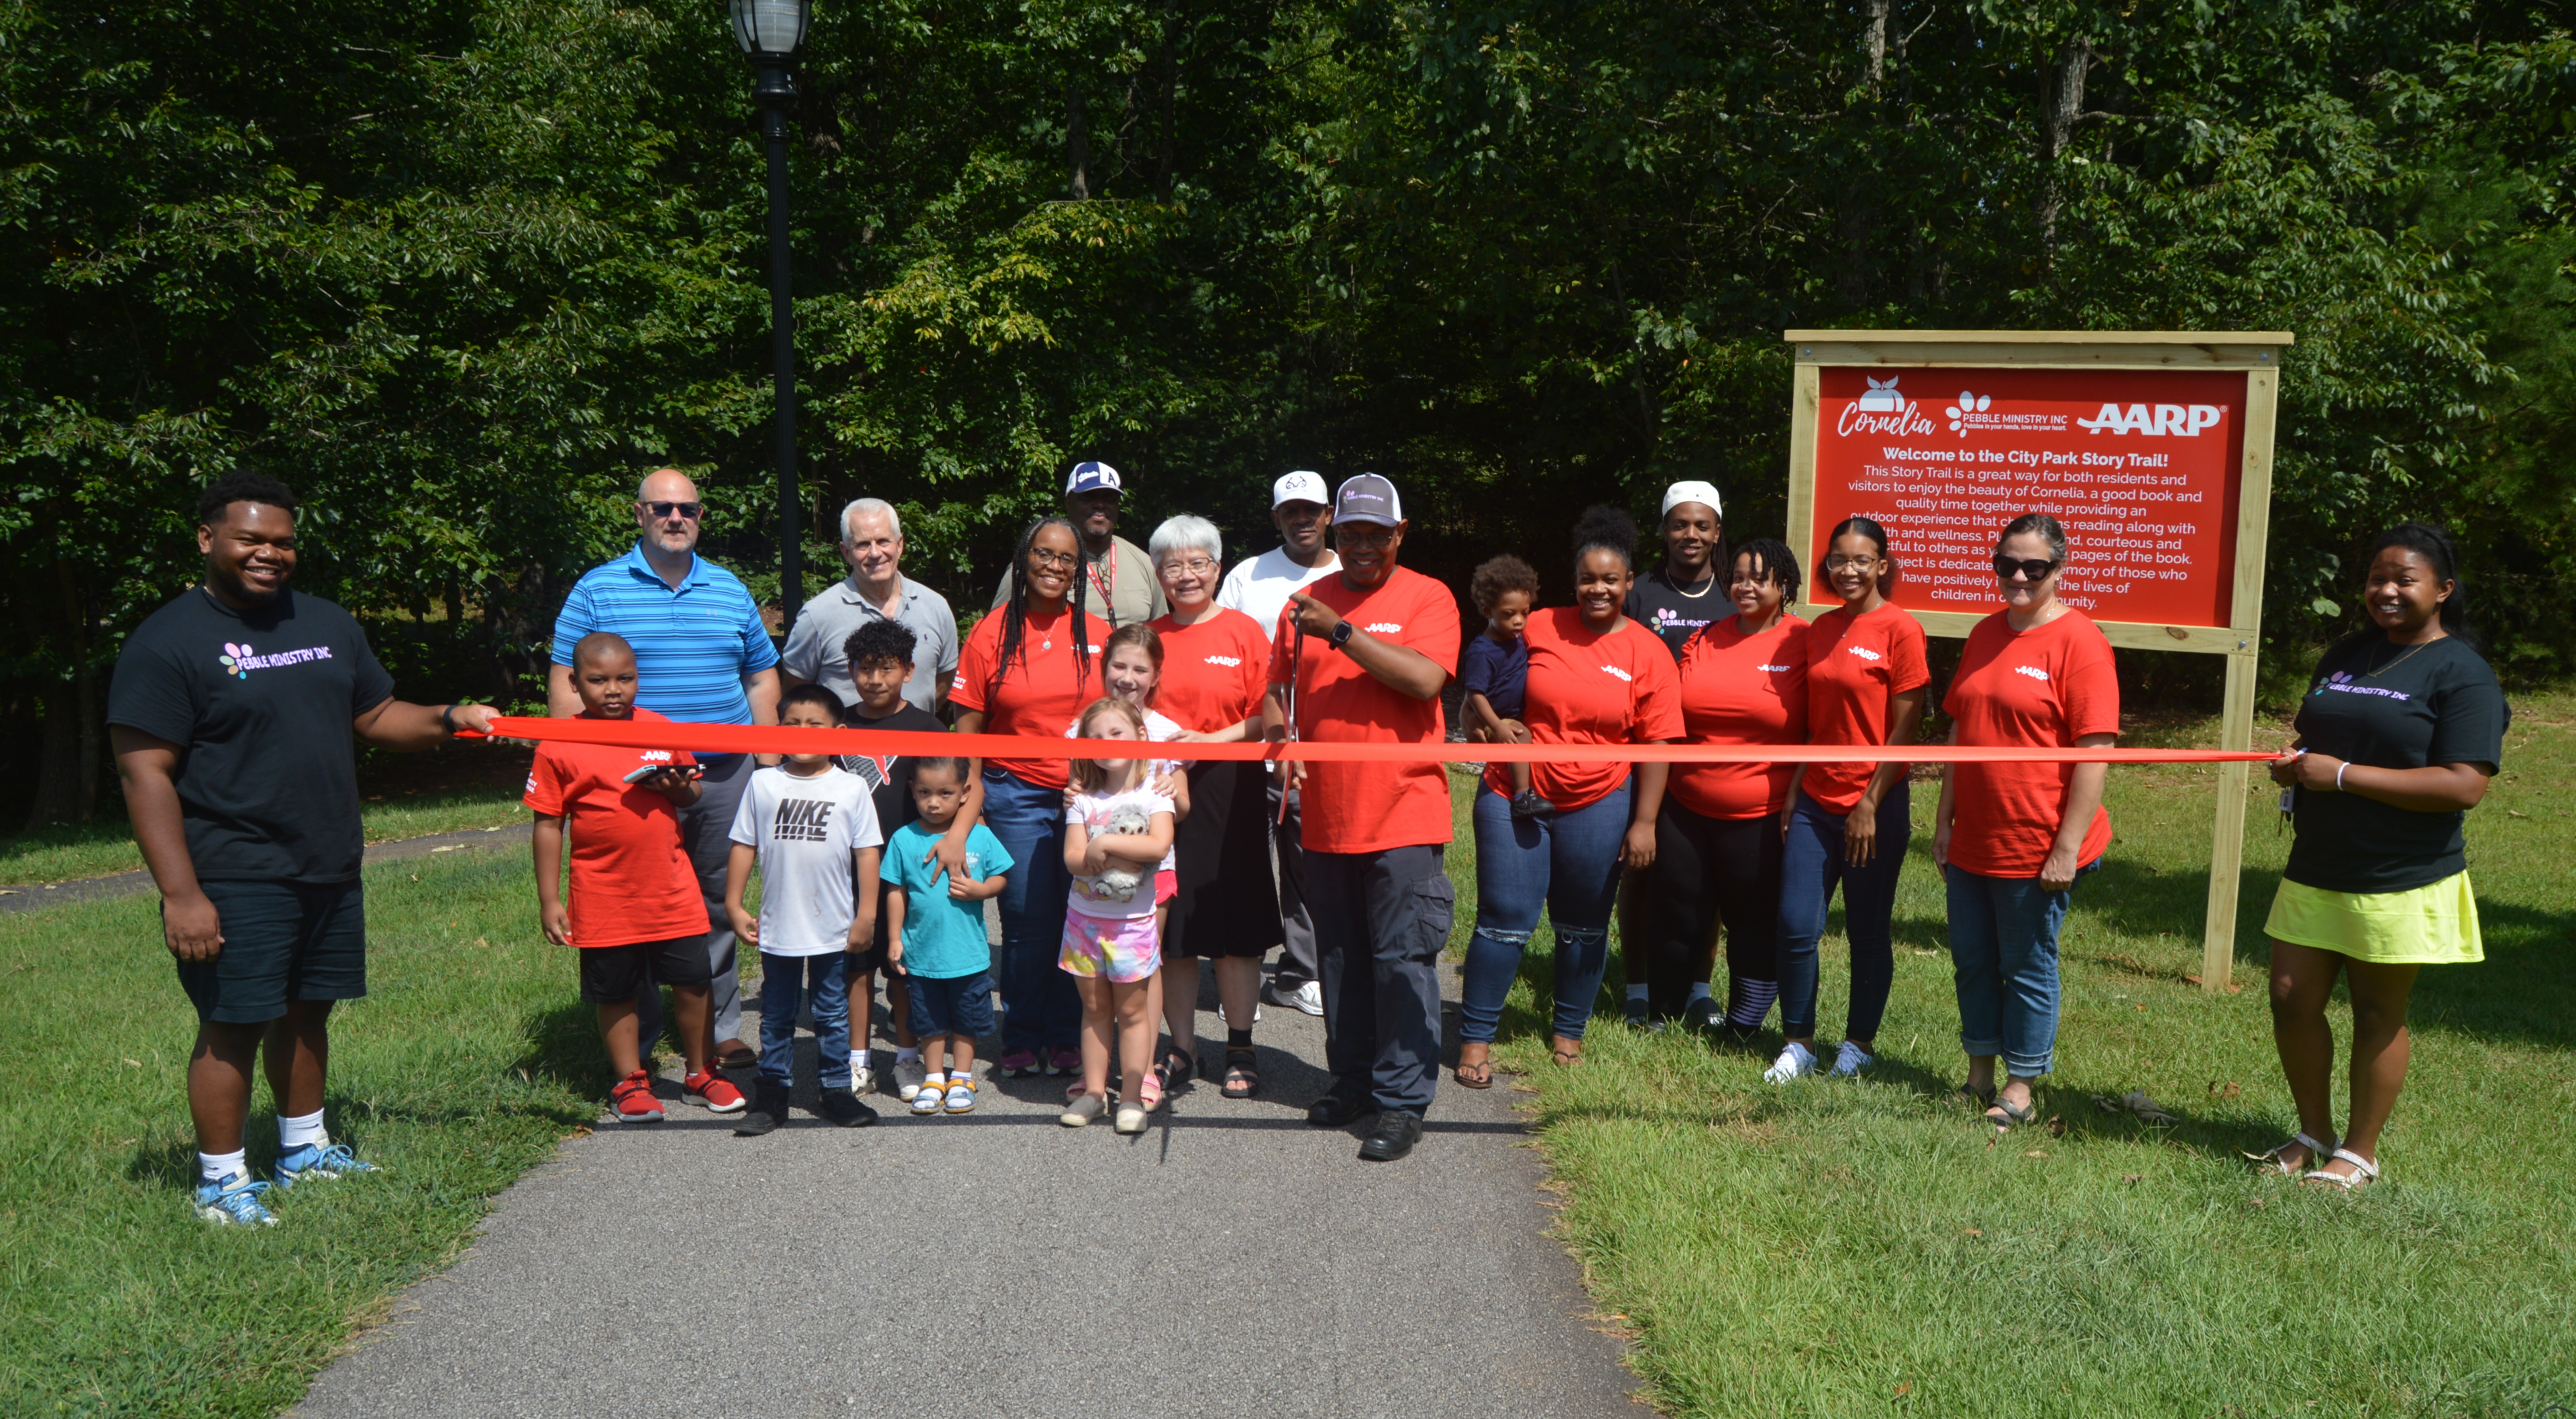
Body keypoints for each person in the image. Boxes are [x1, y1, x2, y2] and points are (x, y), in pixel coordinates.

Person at [109, 472, 502, 1226]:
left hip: (326, 861)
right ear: (207, 539)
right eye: (251, 538)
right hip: (233, 866)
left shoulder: (325, 622)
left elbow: (379, 713)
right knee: (233, 1020)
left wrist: (451, 716)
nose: (269, 553)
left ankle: (304, 1150)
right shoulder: (167, 642)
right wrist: (182, 893)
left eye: (283, 541)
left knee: (306, 1009)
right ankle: (221, 1184)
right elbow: (144, 773)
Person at [2257, 524, 2504, 1189]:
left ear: (2443, 591)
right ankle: (2314, 1131)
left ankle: (2359, 1152)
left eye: (2404, 580)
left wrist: (2339, 775)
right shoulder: (2348, 652)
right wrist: (2297, 768)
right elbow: (2315, 739)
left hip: (2399, 874)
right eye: (2377, 578)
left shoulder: (2463, 674)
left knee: (2376, 1011)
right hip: (2319, 861)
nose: (2386, 590)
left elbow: (2465, 784)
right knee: (2289, 996)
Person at [550, 468, 780, 1070]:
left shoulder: (729, 588)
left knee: (713, 903)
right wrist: (573, 761)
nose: (676, 518)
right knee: (632, 905)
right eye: (662, 509)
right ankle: (642, 1042)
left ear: (701, 516)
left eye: (688, 509)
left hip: (723, 773)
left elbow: (759, 676)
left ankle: (719, 1031)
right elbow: (564, 679)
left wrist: (770, 760)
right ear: (639, 514)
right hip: (627, 783)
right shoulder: (597, 588)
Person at [1263, 473, 1460, 1163]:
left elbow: (1425, 680)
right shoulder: (1305, 604)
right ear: (1335, 533)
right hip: (1326, 813)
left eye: (1378, 533)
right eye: (1352, 533)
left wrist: (1342, 631)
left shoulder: (1428, 596)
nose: (1364, 545)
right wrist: (1279, 735)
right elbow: (1273, 694)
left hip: (1404, 812)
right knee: (1341, 959)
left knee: (1401, 960)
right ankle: (1352, 1078)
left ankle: (1403, 1101)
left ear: (1400, 534)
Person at [1455, 510, 1681, 1088]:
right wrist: (1479, 723)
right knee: (1504, 921)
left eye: (1611, 579)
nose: (1598, 589)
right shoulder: (1537, 625)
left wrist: (1646, 823)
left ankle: (1568, 1035)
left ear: (1630, 584)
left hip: (1601, 798)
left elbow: (1658, 745)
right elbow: (1482, 682)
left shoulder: (1649, 652)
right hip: (1515, 790)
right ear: (1573, 579)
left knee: (1582, 925)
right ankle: (1476, 1038)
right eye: (1588, 578)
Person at [1932, 513, 2118, 1129]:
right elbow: (1961, 731)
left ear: (2058, 570)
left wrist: (2066, 849)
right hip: (1975, 838)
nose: (2017, 576)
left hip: (2036, 842)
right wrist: (1944, 821)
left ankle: (2020, 1086)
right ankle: (1978, 1073)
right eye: (2006, 564)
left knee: (2027, 965)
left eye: (2033, 568)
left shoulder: (2080, 641)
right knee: (1974, 960)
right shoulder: (1985, 632)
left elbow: (2094, 753)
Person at [527, 632, 748, 1125]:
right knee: (617, 989)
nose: (613, 690)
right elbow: (547, 824)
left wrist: (676, 789)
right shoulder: (559, 742)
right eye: (598, 680)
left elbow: (692, 796)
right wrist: (549, 898)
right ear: (573, 682)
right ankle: (630, 1080)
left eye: (625, 679)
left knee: (693, 980)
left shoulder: (660, 729)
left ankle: (700, 1072)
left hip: (671, 886)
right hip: (603, 892)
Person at [951, 516, 1112, 1077]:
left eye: (1067, 559)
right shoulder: (991, 631)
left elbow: (1123, 716)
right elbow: (967, 727)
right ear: (1024, 560)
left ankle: (1069, 1033)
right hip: (1014, 792)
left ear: (1078, 570)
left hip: (1084, 797)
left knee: (1079, 912)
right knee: (1024, 917)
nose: (1054, 566)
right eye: (1044, 554)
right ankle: (1020, 1033)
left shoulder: (1097, 633)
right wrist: (967, 808)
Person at [1774, 516, 1927, 1080]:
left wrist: (1869, 802)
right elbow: (1817, 724)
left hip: (1875, 802)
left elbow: (1904, 730)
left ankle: (1858, 1045)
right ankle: (1799, 1044)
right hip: (1816, 798)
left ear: (1882, 565)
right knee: (1795, 925)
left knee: (1866, 929)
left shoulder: (1901, 629)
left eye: (1862, 560)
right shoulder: (1818, 628)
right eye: (1839, 560)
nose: (1849, 570)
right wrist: (1794, 791)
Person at [1646, 539, 1809, 1050]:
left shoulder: (1803, 642)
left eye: (1759, 577)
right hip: (1686, 806)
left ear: (1784, 584)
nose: (1746, 586)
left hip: (1759, 812)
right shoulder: (1705, 637)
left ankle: (1744, 1024)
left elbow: (1817, 728)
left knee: (1751, 922)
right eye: (1738, 576)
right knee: (1676, 912)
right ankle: (1664, 1012)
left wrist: (1798, 793)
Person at [1147, 515, 1284, 1098]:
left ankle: (1239, 1044)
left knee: (1234, 927)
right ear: (1158, 573)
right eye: (1173, 565)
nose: (1186, 575)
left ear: (1217, 569)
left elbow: (1267, 715)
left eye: (1198, 563)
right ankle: (1182, 1049)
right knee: (1176, 928)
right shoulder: (1146, 637)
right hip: (1161, 789)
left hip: (1233, 787)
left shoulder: (1245, 633)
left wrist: (1211, 742)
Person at [722, 683, 885, 1135]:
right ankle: (772, 1095)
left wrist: (866, 915)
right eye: (792, 724)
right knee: (776, 1014)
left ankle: (836, 1090)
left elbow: (868, 853)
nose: (803, 732)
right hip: (779, 926)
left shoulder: (852, 787)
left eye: (815, 725)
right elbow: (743, 844)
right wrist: (733, 904)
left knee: (832, 1012)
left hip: (835, 927)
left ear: (839, 732)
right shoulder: (763, 782)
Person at [1217, 470, 1340, 1017]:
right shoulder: (1248, 575)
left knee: (1307, 863)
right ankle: (1238, 973)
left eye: (1311, 510)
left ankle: (1298, 973)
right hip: (1254, 740)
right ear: (1276, 519)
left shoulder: (1350, 572)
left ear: (1328, 514)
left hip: (1323, 747)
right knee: (1243, 860)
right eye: (1291, 511)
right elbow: (1226, 650)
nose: (1302, 520)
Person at [832, 618, 957, 1098]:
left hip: (910, 872)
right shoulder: (837, 725)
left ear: (908, 670)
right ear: (850, 671)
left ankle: (908, 1059)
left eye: (887, 668)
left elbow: (953, 794)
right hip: (849, 870)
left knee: (905, 971)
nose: (876, 679)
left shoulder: (929, 727)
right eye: (865, 669)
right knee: (855, 970)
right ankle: (858, 1061)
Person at [1617, 480, 1725, 1025]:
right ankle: (1638, 988)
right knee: (1639, 868)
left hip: (1710, 757)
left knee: (1708, 877)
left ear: (1717, 532)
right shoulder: (1637, 594)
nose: (1691, 534)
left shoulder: (1734, 595)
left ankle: (1699, 989)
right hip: (1644, 752)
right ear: (1663, 530)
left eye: (1702, 525)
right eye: (1680, 523)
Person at [1059, 697, 1179, 1134]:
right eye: (1096, 735)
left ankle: (1130, 1097)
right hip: (1083, 921)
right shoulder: (1081, 798)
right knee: (1093, 1009)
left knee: (1131, 1013)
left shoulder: (1155, 794)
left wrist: (1104, 846)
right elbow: (1073, 859)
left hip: (1133, 925)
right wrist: (1088, 854)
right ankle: (1094, 1092)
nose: (1107, 743)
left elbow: (1157, 846)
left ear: (1141, 737)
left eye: (1117, 733)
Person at [884, 758, 1015, 1118]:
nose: (934, 802)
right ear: (911, 789)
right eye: (925, 793)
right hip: (922, 954)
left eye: (946, 793)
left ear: (964, 793)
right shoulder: (904, 838)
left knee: (966, 1020)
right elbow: (895, 891)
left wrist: (982, 889)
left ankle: (961, 1078)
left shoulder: (981, 836)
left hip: (967, 954)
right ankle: (933, 1077)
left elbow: (1003, 876)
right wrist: (895, 938)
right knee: (929, 1021)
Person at [781, 497, 961, 716]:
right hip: (845, 748)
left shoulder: (936, 607)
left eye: (883, 541)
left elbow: (943, 682)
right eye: (863, 544)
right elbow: (796, 694)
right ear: (846, 552)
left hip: (916, 747)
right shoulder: (817, 615)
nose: (875, 553)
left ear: (900, 544)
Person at [991, 461, 1167, 629]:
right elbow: (998, 628)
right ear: (1069, 503)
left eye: (1109, 498)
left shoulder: (1145, 564)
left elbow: (1161, 634)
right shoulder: (1035, 563)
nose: (1100, 504)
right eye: (1088, 497)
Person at [1460, 555, 1542, 817]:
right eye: (1509, 614)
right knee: (1520, 735)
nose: (1519, 621)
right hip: (1494, 718)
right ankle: (1522, 797)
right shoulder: (1482, 651)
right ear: (1488, 612)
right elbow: (1475, 693)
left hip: (1511, 714)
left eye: (1525, 613)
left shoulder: (1514, 637)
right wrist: (1496, 726)